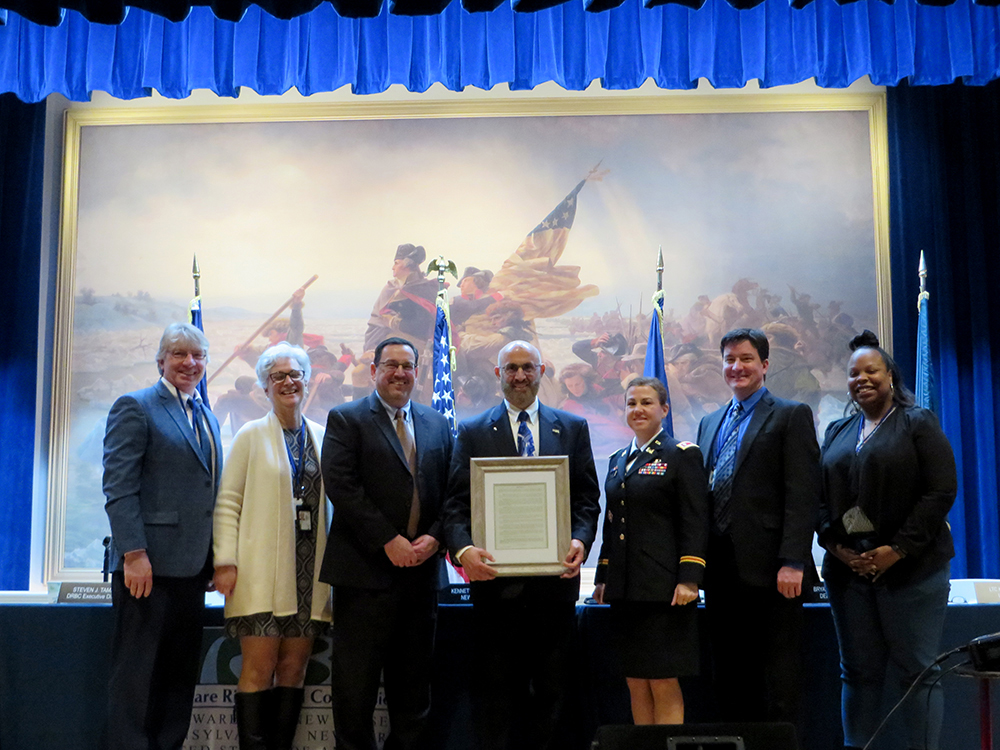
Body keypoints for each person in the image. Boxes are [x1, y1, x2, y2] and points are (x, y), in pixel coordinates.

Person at [443, 340, 601, 750]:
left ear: (542, 370)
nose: (519, 376)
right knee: (494, 697)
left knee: (552, 696)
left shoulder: (571, 428)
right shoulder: (474, 431)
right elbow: (455, 506)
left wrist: (581, 541)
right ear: (498, 374)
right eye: (510, 368)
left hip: (554, 593)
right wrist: (463, 552)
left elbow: (587, 500)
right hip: (496, 593)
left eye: (527, 367)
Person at [818, 331, 957, 750]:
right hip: (850, 574)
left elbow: (940, 491)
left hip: (913, 570)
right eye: (852, 373)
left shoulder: (917, 423)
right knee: (857, 672)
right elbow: (822, 498)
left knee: (917, 672)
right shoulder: (838, 430)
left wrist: (897, 550)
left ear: (891, 376)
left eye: (870, 370)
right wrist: (838, 547)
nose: (861, 379)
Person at [319, 336, 454, 750]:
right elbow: (342, 486)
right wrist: (388, 540)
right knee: (354, 691)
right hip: (364, 577)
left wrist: (435, 537)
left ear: (418, 372)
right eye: (390, 364)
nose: (400, 372)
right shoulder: (346, 418)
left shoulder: (436, 423)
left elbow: (454, 491)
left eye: (408, 366)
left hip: (421, 577)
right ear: (374, 370)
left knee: (414, 689)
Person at [103, 322, 222, 750]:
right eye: (179, 354)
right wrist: (134, 553)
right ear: (161, 361)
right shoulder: (135, 407)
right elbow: (119, 487)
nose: (190, 363)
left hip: (191, 572)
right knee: (137, 681)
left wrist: (211, 558)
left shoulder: (205, 415)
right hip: (146, 570)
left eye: (198, 356)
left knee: (178, 678)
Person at [695, 327, 820, 727]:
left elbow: (803, 494)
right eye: (730, 359)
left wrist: (793, 561)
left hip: (773, 572)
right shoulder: (709, 422)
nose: (737, 367)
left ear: (764, 365)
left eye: (746, 359)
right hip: (720, 570)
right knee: (729, 675)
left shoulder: (790, 415)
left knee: (776, 678)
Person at [213, 343, 332, 750]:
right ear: (265, 386)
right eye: (278, 376)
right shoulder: (249, 435)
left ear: (307, 378)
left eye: (295, 373)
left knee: (293, 670)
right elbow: (228, 501)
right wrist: (224, 560)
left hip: (309, 578)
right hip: (259, 575)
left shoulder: (322, 435)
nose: (288, 381)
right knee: (258, 669)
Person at [592, 377, 709, 725]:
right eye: (631, 403)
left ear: (664, 409)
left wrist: (690, 579)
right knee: (635, 679)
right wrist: (603, 577)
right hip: (626, 589)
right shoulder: (617, 460)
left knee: (662, 678)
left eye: (646, 402)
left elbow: (695, 520)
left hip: (665, 590)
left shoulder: (681, 455)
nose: (638, 410)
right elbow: (612, 526)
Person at [364, 244, 438, 353]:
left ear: (407, 264)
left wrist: (394, 322)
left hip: (417, 342)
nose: (393, 267)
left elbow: (424, 324)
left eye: (396, 263)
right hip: (382, 339)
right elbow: (377, 320)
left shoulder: (426, 289)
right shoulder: (390, 288)